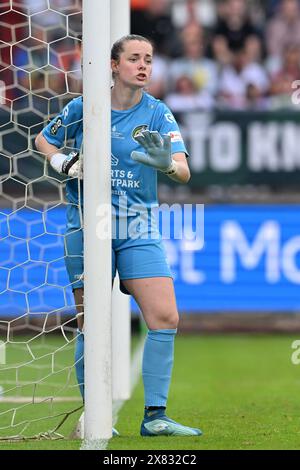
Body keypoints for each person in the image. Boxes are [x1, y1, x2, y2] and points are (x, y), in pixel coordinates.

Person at [35, 34, 202, 437]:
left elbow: (183, 169)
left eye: (148, 59)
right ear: (113, 65)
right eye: (134, 58)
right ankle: (93, 415)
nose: (143, 65)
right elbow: (43, 139)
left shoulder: (158, 113)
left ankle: (155, 416)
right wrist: (63, 161)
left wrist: (166, 164)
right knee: (90, 323)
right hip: (87, 223)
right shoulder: (84, 108)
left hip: (137, 225)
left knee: (165, 316)